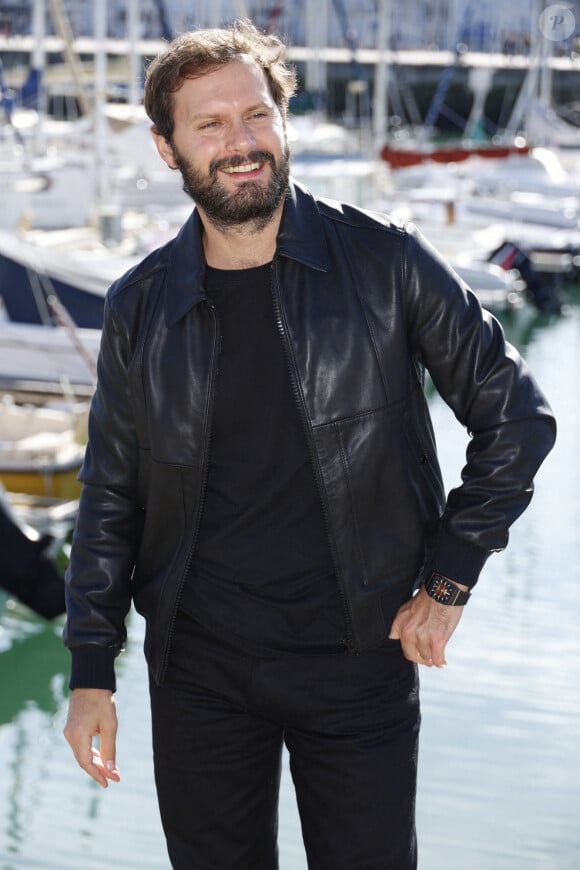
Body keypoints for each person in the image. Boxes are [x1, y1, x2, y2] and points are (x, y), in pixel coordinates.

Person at [62, 19, 556, 870]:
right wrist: (90, 672)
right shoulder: (139, 305)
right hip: (200, 672)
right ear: (166, 148)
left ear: (284, 123)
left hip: (359, 662)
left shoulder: (386, 264)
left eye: (256, 116)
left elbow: (518, 417)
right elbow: (111, 495)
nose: (240, 143)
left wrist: (448, 580)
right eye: (209, 125)